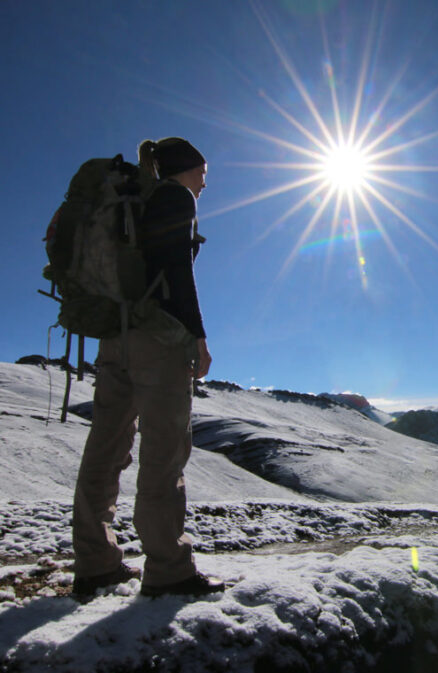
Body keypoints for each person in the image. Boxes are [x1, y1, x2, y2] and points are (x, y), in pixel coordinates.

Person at [72, 137, 222, 597]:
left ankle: (95, 561)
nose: (204, 180)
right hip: (158, 338)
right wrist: (196, 334)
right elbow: (177, 268)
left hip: (115, 338)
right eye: (202, 171)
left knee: (106, 446)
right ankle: (168, 569)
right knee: (163, 452)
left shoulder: (134, 198)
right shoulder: (174, 197)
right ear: (186, 168)